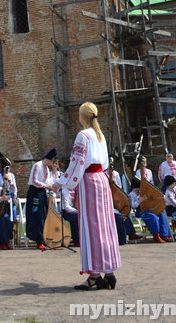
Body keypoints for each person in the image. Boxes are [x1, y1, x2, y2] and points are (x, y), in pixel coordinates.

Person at [53, 103, 120, 290]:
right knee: (105, 225)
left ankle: (94, 276)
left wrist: (59, 182)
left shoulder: (83, 136)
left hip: (89, 181)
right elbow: (105, 163)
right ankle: (109, 272)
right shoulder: (100, 135)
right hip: (102, 179)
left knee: (92, 228)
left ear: (83, 117)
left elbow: (77, 165)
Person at [26, 148, 56, 251]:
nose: (52, 164)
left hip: (42, 193)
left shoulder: (47, 168)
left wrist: (48, 195)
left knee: (43, 214)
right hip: (35, 192)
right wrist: (46, 186)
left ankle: (44, 238)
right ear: (49, 159)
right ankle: (38, 240)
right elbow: (34, 181)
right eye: (52, 161)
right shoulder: (37, 166)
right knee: (36, 216)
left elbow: (47, 182)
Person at [129, 176, 171, 244]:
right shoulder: (131, 195)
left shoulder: (142, 192)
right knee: (152, 216)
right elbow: (133, 206)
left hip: (149, 209)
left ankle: (164, 234)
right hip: (140, 211)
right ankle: (156, 235)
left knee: (162, 215)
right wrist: (139, 200)